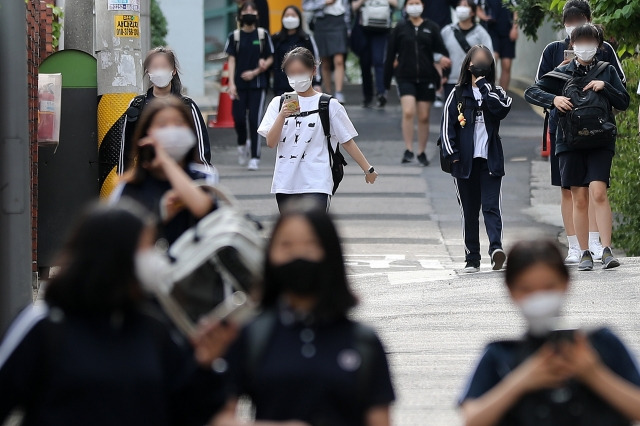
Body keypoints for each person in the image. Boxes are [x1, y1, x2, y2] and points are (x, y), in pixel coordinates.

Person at [0, 201, 237, 426]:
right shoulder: (44, 325)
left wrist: (205, 367)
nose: (156, 258)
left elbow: (187, 412)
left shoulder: (153, 328)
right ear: (115, 257)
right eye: (146, 248)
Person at [213, 202, 396, 426]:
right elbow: (221, 417)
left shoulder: (364, 342)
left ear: (331, 254)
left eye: (311, 245)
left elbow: (380, 420)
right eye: (286, 245)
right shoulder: (253, 336)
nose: (298, 255)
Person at [459, 240, 640, 426]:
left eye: (549, 287)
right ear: (511, 291)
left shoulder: (601, 344)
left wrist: (593, 374)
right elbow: (472, 418)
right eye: (527, 289)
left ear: (566, 284)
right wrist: (520, 380)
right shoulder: (501, 356)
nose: (539, 297)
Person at [525, 23, 629, 271]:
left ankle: (605, 249)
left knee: (598, 192)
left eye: (590, 42)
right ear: (572, 44)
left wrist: (606, 87)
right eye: (580, 42)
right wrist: (554, 99)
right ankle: (583, 252)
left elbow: (624, 101)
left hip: (600, 140)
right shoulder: (562, 73)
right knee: (579, 198)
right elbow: (531, 91)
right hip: (569, 142)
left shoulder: (607, 70)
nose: (585, 47)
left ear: (599, 46)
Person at [259, 47, 378, 212]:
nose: (296, 77)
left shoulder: (329, 105)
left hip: (317, 182)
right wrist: (282, 116)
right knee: (293, 236)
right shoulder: (278, 103)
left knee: (314, 235)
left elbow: (347, 141)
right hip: (286, 183)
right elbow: (271, 143)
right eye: (291, 73)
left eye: (301, 72)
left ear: (313, 70)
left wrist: (368, 169)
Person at [440, 45, 512, 273]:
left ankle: (496, 250)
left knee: (491, 207)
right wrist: (453, 157)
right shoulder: (457, 93)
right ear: (468, 64)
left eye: (485, 60)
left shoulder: (497, 92)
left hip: (490, 160)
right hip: (464, 163)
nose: (480, 63)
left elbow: (501, 110)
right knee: (469, 211)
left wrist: (483, 84)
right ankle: (472, 257)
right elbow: (446, 127)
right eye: (477, 59)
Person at [111, 97, 216, 246]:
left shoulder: (204, 176)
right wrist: (161, 217)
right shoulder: (128, 187)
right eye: (162, 125)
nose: (172, 131)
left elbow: (201, 207)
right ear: (147, 134)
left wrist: (166, 162)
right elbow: (123, 242)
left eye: (179, 123)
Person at [120, 47, 212, 174]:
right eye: (155, 67)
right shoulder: (137, 105)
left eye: (164, 66)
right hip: (148, 178)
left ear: (173, 70)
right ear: (147, 71)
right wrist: (123, 180)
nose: (159, 71)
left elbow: (201, 148)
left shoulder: (187, 105)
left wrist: (203, 178)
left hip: (181, 176)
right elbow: (126, 148)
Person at [384, 0, 451, 166]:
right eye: (411, 2)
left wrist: (445, 74)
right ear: (406, 7)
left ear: (423, 6)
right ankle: (408, 149)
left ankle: (421, 151)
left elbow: (442, 53)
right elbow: (390, 55)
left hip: (427, 77)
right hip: (405, 77)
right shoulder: (399, 28)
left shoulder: (432, 27)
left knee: (424, 116)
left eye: (417, 2)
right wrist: (385, 83)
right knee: (408, 111)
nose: (414, 5)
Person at [226, 1, 275, 171]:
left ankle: (255, 157)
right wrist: (231, 83)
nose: (249, 12)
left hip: (257, 84)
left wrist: (257, 70)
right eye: (246, 10)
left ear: (257, 15)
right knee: (238, 119)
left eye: (252, 10)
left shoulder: (262, 35)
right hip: (239, 85)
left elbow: (270, 57)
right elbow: (231, 60)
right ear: (240, 15)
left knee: (255, 120)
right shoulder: (235, 36)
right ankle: (242, 143)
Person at [441, 0, 493, 99]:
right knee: (452, 112)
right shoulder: (447, 31)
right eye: (459, 5)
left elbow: (489, 56)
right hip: (451, 81)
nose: (461, 8)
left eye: (465, 6)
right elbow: (437, 51)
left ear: (473, 12)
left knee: (471, 112)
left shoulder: (481, 33)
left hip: (474, 82)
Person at [350, 0, 397, 108]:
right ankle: (367, 96)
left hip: (381, 28)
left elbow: (396, 4)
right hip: (363, 28)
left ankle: (381, 93)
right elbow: (352, 7)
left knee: (379, 61)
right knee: (365, 63)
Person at [303, 0, 351, 103]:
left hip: (340, 21)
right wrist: (325, 3)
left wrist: (348, 28)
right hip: (322, 22)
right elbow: (306, 5)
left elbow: (347, 8)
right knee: (325, 61)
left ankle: (339, 92)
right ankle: (328, 94)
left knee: (339, 59)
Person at [271, 5, 321, 97]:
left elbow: (315, 59)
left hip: (303, 85)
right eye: (287, 15)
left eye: (293, 15)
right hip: (281, 86)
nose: (290, 18)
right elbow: (272, 61)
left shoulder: (306, 38)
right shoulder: (276, 39)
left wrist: (316, 82)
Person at [477, 0, 518, 91]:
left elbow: (516, 10)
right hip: (491, 31)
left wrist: (515, 28)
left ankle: (502, 96)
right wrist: (484, 17)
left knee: (506, 65)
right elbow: (477, 8)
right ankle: (489, 92)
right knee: (492, 59)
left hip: (507, 32)